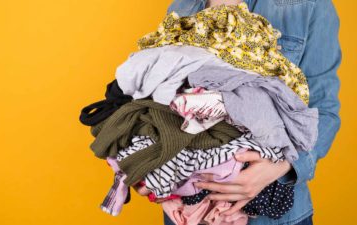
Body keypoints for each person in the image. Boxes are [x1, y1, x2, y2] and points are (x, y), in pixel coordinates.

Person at [134, 0, 341, 224]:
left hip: (272, 217)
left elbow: (324, 112)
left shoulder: (308, 6)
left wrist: (281, 167)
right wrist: (146, 171)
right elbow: (157, 105)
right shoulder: (182, 7)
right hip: (187, 211)